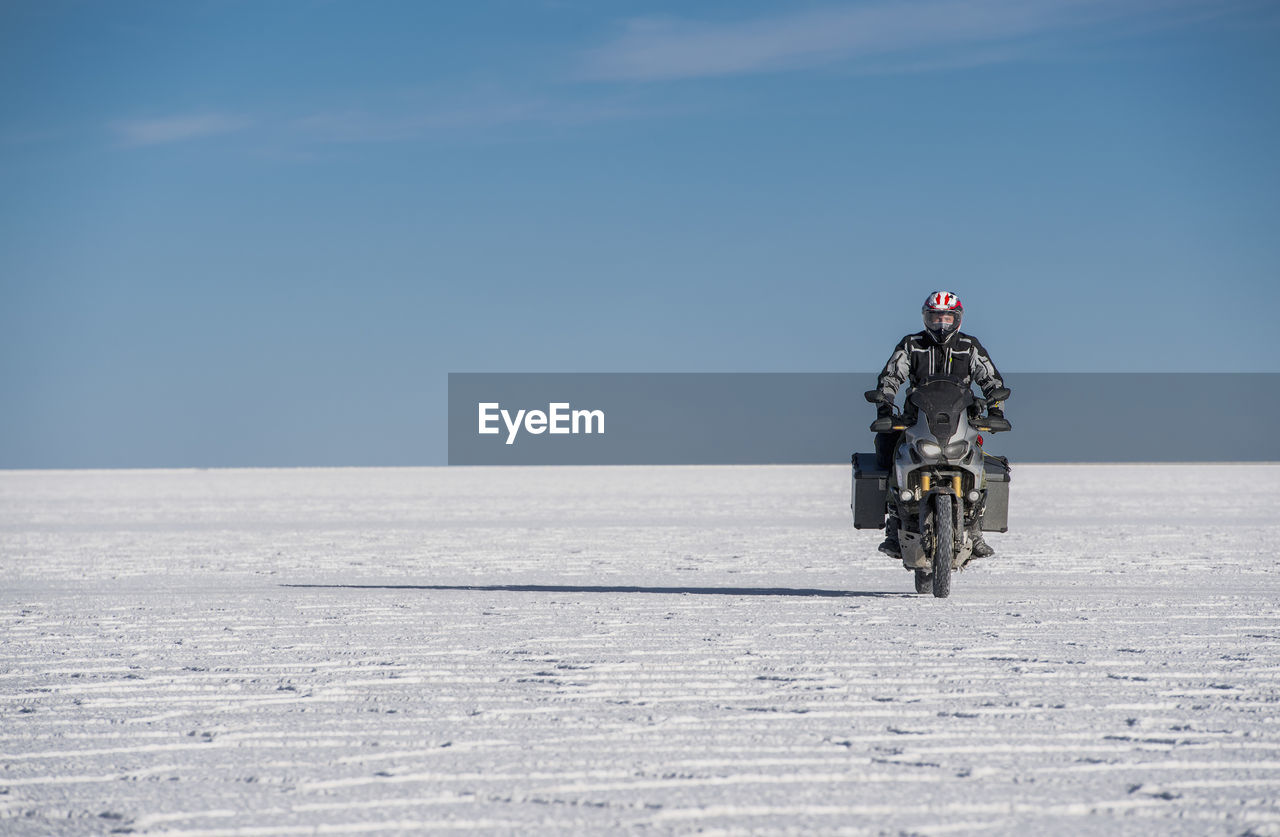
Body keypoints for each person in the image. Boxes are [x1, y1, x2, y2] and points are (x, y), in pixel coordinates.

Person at [870, 291, 1008, 559]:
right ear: (926, 318)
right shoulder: (911, 345)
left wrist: (995, 409)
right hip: (918, 419)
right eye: (935, 317)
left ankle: (976, 530)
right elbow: (891, 376)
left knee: (979, 457)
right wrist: (885, 405)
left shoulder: (969, 346)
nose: (941, 323)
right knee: (887, 446)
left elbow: (992, 379)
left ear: (957, 318)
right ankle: (893, 526)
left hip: (960, 420)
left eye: (946, 317)